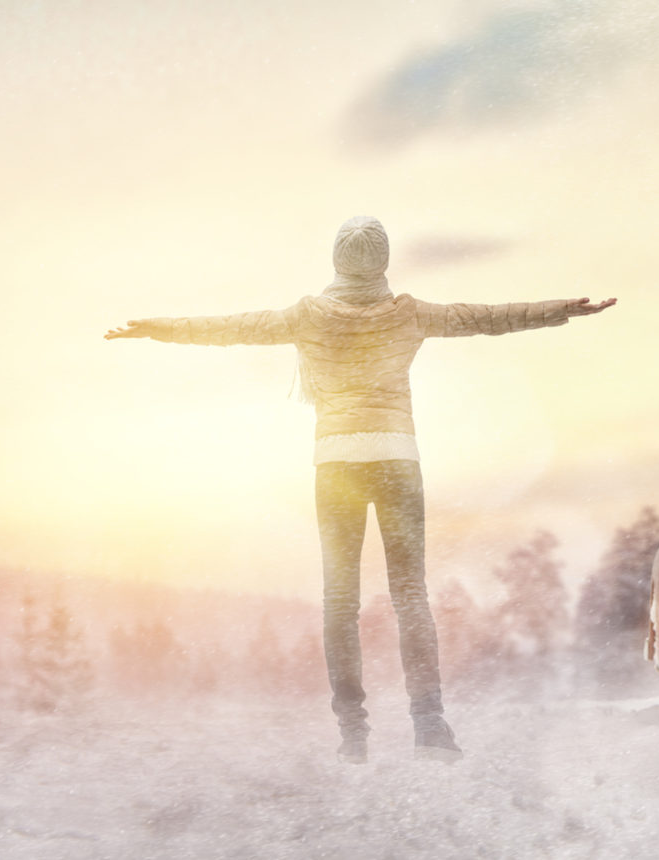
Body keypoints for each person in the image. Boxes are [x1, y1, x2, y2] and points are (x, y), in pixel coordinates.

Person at [106, 215, 615, 763]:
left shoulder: (307, 317)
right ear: (384, 262)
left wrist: (157, 326)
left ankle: (353, 735)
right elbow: (489, 319)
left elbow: (229, 327)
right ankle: (429, 727)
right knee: (410, 596)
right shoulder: (412, 314)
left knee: (340, 601)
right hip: (396, 458)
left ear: (336, 261)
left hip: (337, 465)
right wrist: (563, 309)